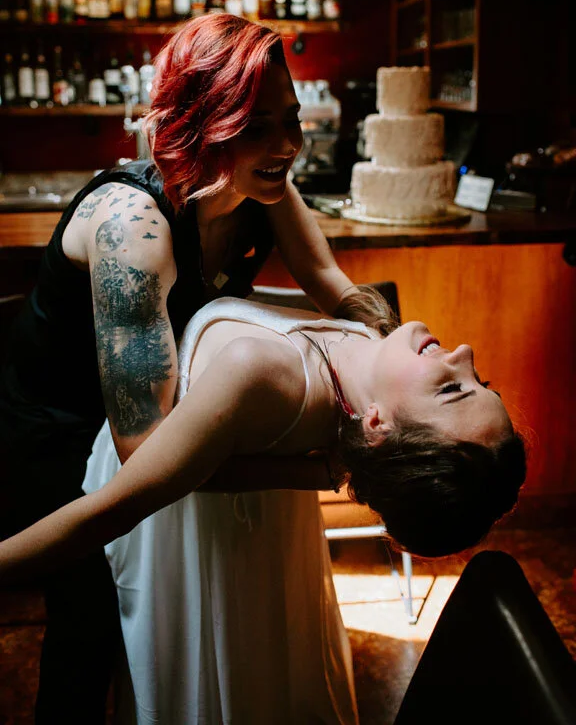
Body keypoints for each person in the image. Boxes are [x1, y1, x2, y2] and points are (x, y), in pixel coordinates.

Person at [0, 13, 372, 724]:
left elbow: (328, 277)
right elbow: (150, 456)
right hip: (57, 429)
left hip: (147, 411)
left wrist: (388, 347)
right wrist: (318, 469)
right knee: (90, 623)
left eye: (290, 120)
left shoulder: (263, 184)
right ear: (200, 122)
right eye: (256, 126)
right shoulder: (130, 231)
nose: (287, 145)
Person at [0, 291, 527, 723]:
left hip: (189, 537)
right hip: (261, 530)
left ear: (377, 425)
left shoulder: (258, 374)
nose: (465, 354)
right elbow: (315, 259)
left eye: (453, 390)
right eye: (482, 385)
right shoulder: (374, 350)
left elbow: (114, 508)